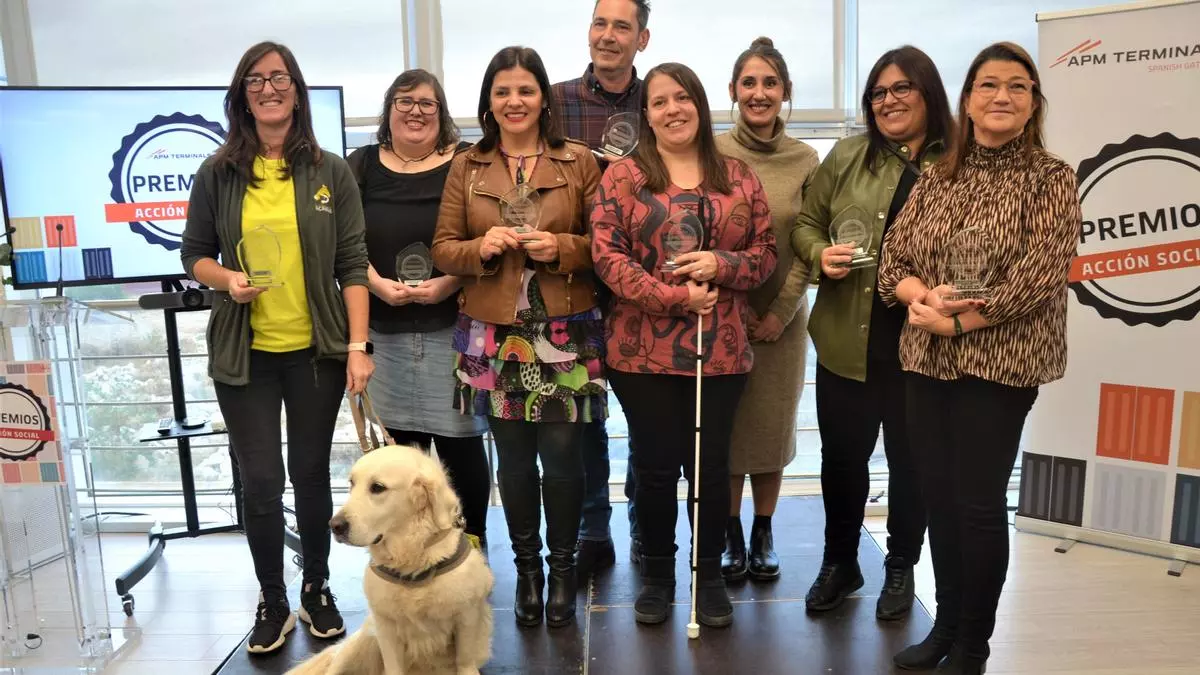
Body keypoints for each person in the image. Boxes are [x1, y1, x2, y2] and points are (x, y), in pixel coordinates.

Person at [878, 42, 1079, 675]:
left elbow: (1039, 276)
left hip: (1001, 364)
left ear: (1033, 104)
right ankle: (946, 628)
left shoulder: (1051, 178)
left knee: (978, 505)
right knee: (938, 500)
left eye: (1018, 86)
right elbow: (893, 262)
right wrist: (921, 298)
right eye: (988, 84)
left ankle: (973, 647)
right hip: (925, 360)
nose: (1002, 96)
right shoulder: (937, 176)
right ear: (966, 101)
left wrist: (958, 320)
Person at [180, 41, 369, 654]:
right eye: (257, 80)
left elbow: (352, 263)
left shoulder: (330, 171)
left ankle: (316, 587)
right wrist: (226, 279)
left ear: (297, 90)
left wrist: (358, 346)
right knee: (260, 480)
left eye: (280, 78)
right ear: (242, 95)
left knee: (310, 473)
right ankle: (273, 598)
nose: (269, 88)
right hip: (246, 354)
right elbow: (194, 255)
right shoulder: (216, 173)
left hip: (316, 352)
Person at [591, 62, 777, 629]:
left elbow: (766, 253)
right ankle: (657, 577)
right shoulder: (623, 177)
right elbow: (607, 257)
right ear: (646, 115)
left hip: (720, 349)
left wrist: (721, 264)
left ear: (699, 103)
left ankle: (709, 576)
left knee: (710, 467)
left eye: (682, 98)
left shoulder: (738, 175)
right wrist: (676, 297)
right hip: (640, 353)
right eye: (659, 102)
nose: (672, 109)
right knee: (653, 467)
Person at [432, 46, 603, 630]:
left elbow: (606, 245)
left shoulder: (579, 161)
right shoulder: (468, 165)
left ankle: (563, 570)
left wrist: (563, 248)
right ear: (488, 101)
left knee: (562, 458)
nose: (514, 101)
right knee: (513, 461)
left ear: (543, 99)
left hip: (564, 326)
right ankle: (527, 571)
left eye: (525, 90)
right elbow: (443, 248)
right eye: (502, 91)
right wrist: (479, 249)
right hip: (492, 331)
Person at [791, 45, 954, 620]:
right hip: (846, 340)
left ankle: (901, 566)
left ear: (928, 92)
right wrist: (819, 254)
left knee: (913, 464)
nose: (888, 101)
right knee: (841, 460)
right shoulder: (847, 155)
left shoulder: (959, 162)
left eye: (901, 88)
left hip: (924, 343)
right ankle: (840, 562)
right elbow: (807, 224)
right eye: (878, 93)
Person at [346, 69, 491, 549]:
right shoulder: (360, 166)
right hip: (383, 333)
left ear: (441, 112)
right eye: (404, 101)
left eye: (427, 103)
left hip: (454, 327)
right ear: (388, 110)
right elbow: (344, 242)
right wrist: (375, 284)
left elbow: (485, 238)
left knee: (461, 449)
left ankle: (468, 553)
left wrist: (450, 282)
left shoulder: (469, 161)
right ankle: (405, 558)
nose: (415, 111)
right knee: (398, 463)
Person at [550, 0, 651, 576]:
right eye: (599, 23)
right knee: (583, 414)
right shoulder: (555, 102)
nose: (608, 36)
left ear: (642, 39)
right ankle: (593, 527)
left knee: (646, 415)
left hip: (645, 287)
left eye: (621, 26)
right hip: (573, 282)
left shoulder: (661, 100)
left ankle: (643, 522)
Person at [715, 37, 819, 584]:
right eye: (749, 83)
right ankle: (729, 532)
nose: (759, 93)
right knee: (730, 429)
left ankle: (763, 530)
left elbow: (812, 242)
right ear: (733, 91)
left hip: (784, 318)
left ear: (786, 91)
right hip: (720, 317)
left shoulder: (806, 159)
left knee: (773, 430)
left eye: (770, 83)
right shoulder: (713, 153)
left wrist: (781, 310)